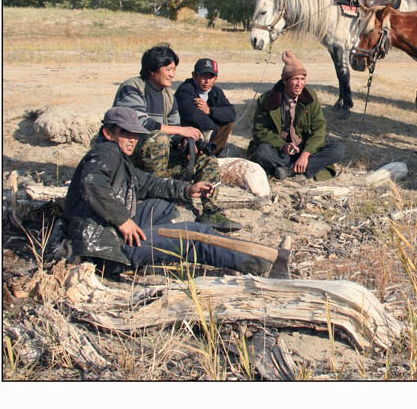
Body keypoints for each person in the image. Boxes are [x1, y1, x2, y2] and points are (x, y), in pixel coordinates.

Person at [63, 107, 271, 276]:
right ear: (108, 133)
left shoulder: (117, 157)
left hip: (103, 233)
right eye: (125, 132)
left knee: (162, 207)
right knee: (196, 236)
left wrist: (188, 189)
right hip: (105, 248)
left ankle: (153, 249)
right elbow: (91, 182)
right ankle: (262, 264)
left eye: (135, 133)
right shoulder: (106, 151)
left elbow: (149, 183)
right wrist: (123, 221)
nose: (132, 139)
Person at [112, 44, 238, 231]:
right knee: (158, 139)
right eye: (168, 69)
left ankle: (210, 211)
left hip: (157, 161)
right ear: (152, 70)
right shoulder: (133, 87)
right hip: (130, 161)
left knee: (208, 161)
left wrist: (186, 145)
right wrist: (180, 132)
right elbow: (137, 123)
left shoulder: (167, 96)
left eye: (174, 70)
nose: (172, 74)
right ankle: (158, 202)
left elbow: (176, 128)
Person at [248, 50, 344, 181]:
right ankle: (302, 167)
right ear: (285, 81)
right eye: (295, 79)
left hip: (304, 149)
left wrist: (305, 154)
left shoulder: (310, 97)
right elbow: (259, 131)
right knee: (261, 152)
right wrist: (282, 146)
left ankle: (288, 170)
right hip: (280, 151)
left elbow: (319, 129)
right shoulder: (266, 99)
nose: (300, 84)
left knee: (338, 150)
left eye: (302, 79)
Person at [175, 57, 236, 155]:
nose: (207, 81)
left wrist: (209, 110)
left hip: (210, 132)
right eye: (203, 76)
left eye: (211, 77)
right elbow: (191, 113)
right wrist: (212, 125)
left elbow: (231, 113)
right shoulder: (185, 90)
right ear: (194, 75)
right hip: (189, 132)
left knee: (227, 123)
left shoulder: (216, 92)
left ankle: (211, 153)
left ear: (215, 78)